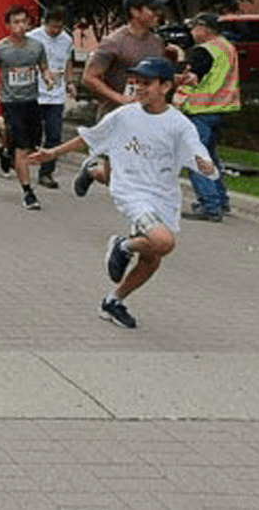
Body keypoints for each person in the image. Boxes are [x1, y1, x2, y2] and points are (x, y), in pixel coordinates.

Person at [26, 56, 218, 330]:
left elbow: (197, 151)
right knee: (164, 242)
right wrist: (51, 153)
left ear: (165, 87)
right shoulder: (125, 115)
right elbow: (89, 137)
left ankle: (113, 301)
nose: (139, 88)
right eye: (136, 82)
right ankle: (122, 245)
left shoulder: (179, 124)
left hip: (163, 195)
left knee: (152, 260)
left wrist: (205, 165)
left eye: (146, 83)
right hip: (131, 190)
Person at [74, 0, 171, 196]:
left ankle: (143, 222)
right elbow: (89, 77)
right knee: (116, 178)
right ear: (135, 12)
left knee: (139, 176)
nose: (156, 14)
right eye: (151, 9)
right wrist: (120, 98)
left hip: (147, 116)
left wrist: (177, 80)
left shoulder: (156, 43)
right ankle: (92, 171)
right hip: (116, 115)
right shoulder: (114, 42)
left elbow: (159, 77)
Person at [0, 5, 52, 210]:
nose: (21, 26)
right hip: (12, 103)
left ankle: (7, 152)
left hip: (32, 101)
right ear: (8, 25)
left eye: (24, 21)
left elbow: (43, 67)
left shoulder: (37, 46)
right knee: (23, 149)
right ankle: (28, 192)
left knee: (32, 146)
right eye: (16, 22)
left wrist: (48, 78)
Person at [178, 12, 239, 220]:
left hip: (201, 110)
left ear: (205, 30)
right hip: (222, 109)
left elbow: (191, 79)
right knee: (210, 156)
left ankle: (210, 205)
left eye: (194, 28)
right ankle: (221, 200)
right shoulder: (227, 47)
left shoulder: (203, 51)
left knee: (197, 158)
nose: (192, 32)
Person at [25, 5, 75, 189]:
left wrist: (70, 83)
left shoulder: (67, 39)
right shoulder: (32, 37)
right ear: (45, 23)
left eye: (59, 27)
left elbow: (68, 62)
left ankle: (46, 173)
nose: (55, 31)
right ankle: (14, 156)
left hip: (56, 95)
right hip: (34, 93)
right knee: (31, 134)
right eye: (52, 26)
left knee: (54, 135)